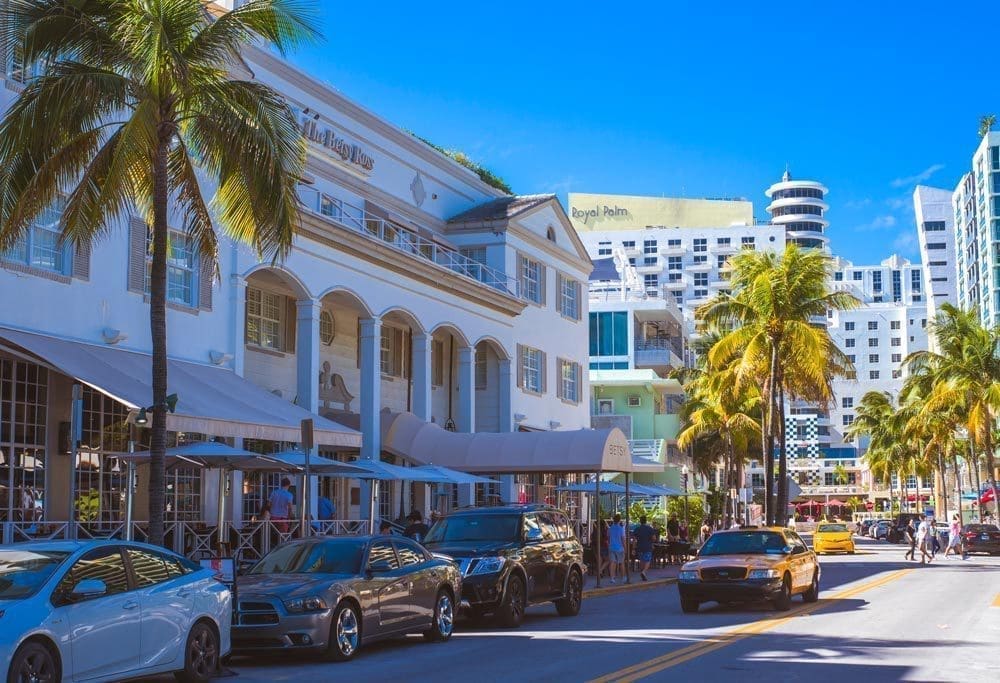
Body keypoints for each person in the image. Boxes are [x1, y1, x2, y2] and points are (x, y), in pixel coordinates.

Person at [634, 515, 657, 581]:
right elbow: (654, 538)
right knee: (648, 560)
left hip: (640, 546)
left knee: (642, 560)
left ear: (640, 521)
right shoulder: (650, 529)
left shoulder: (637, 529)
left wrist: (633, 548)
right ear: (646, 521)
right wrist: (651, 541)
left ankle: (642, 572)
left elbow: (634, 539)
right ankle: (644, 572)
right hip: (648, 546)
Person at [607, 513, 626, 584]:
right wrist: (625, 548)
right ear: (619, 520)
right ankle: (623, 577)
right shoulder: (621, 529)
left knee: (612, 562)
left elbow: (608, 538)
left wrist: (610, 544)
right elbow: (623, 539)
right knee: (621, 563)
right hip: (620, 548)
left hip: (611, 547)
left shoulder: (610, 529)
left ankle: (612, 578)